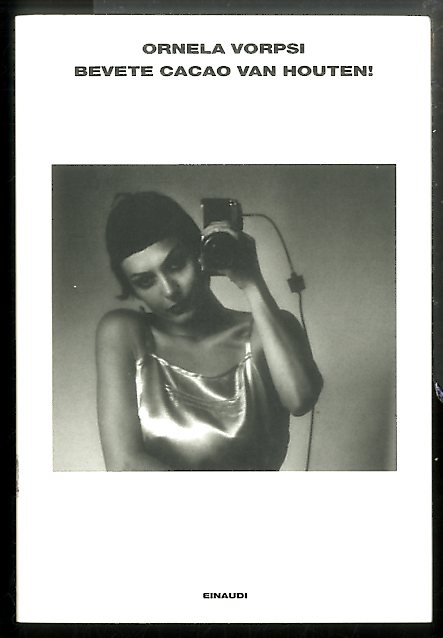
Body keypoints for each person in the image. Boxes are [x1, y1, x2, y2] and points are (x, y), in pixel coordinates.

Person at [96, 191, 322, 471]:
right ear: (133, 290)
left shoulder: (269, 330)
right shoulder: (124, 334)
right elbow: (125, 464)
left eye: (176, 265)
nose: (169, 290)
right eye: (145, 281)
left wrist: (252, 282)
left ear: (199, 253)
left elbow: (300, 400)